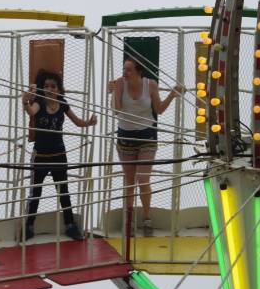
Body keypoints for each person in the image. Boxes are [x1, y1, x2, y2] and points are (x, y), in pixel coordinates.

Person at [108, 56, 184, 235]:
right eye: (124, 69)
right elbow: (116, 111)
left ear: (138, 72)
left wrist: (172, 95)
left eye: (129, 70)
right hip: (125, 136)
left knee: (143, 179)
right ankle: (129, 219)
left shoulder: (150, 84)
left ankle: (147, 218)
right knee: (129, 181)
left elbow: (159, 109)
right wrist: (114, 92)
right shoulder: (120, 84)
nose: (125, 73)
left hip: (147, 136)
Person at [22, 69, 97, 241]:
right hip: (40, 155)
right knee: (35, 192)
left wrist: (89, 123)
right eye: (46, 85)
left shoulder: (62, 102)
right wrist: (25, 102)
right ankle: (29, 225)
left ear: (58, 89)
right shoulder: (39, 101)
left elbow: (77, 122)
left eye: (53, 86)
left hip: (59, 155)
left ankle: (70, 226)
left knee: (63, 191)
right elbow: (31, 112)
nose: (49, 88)